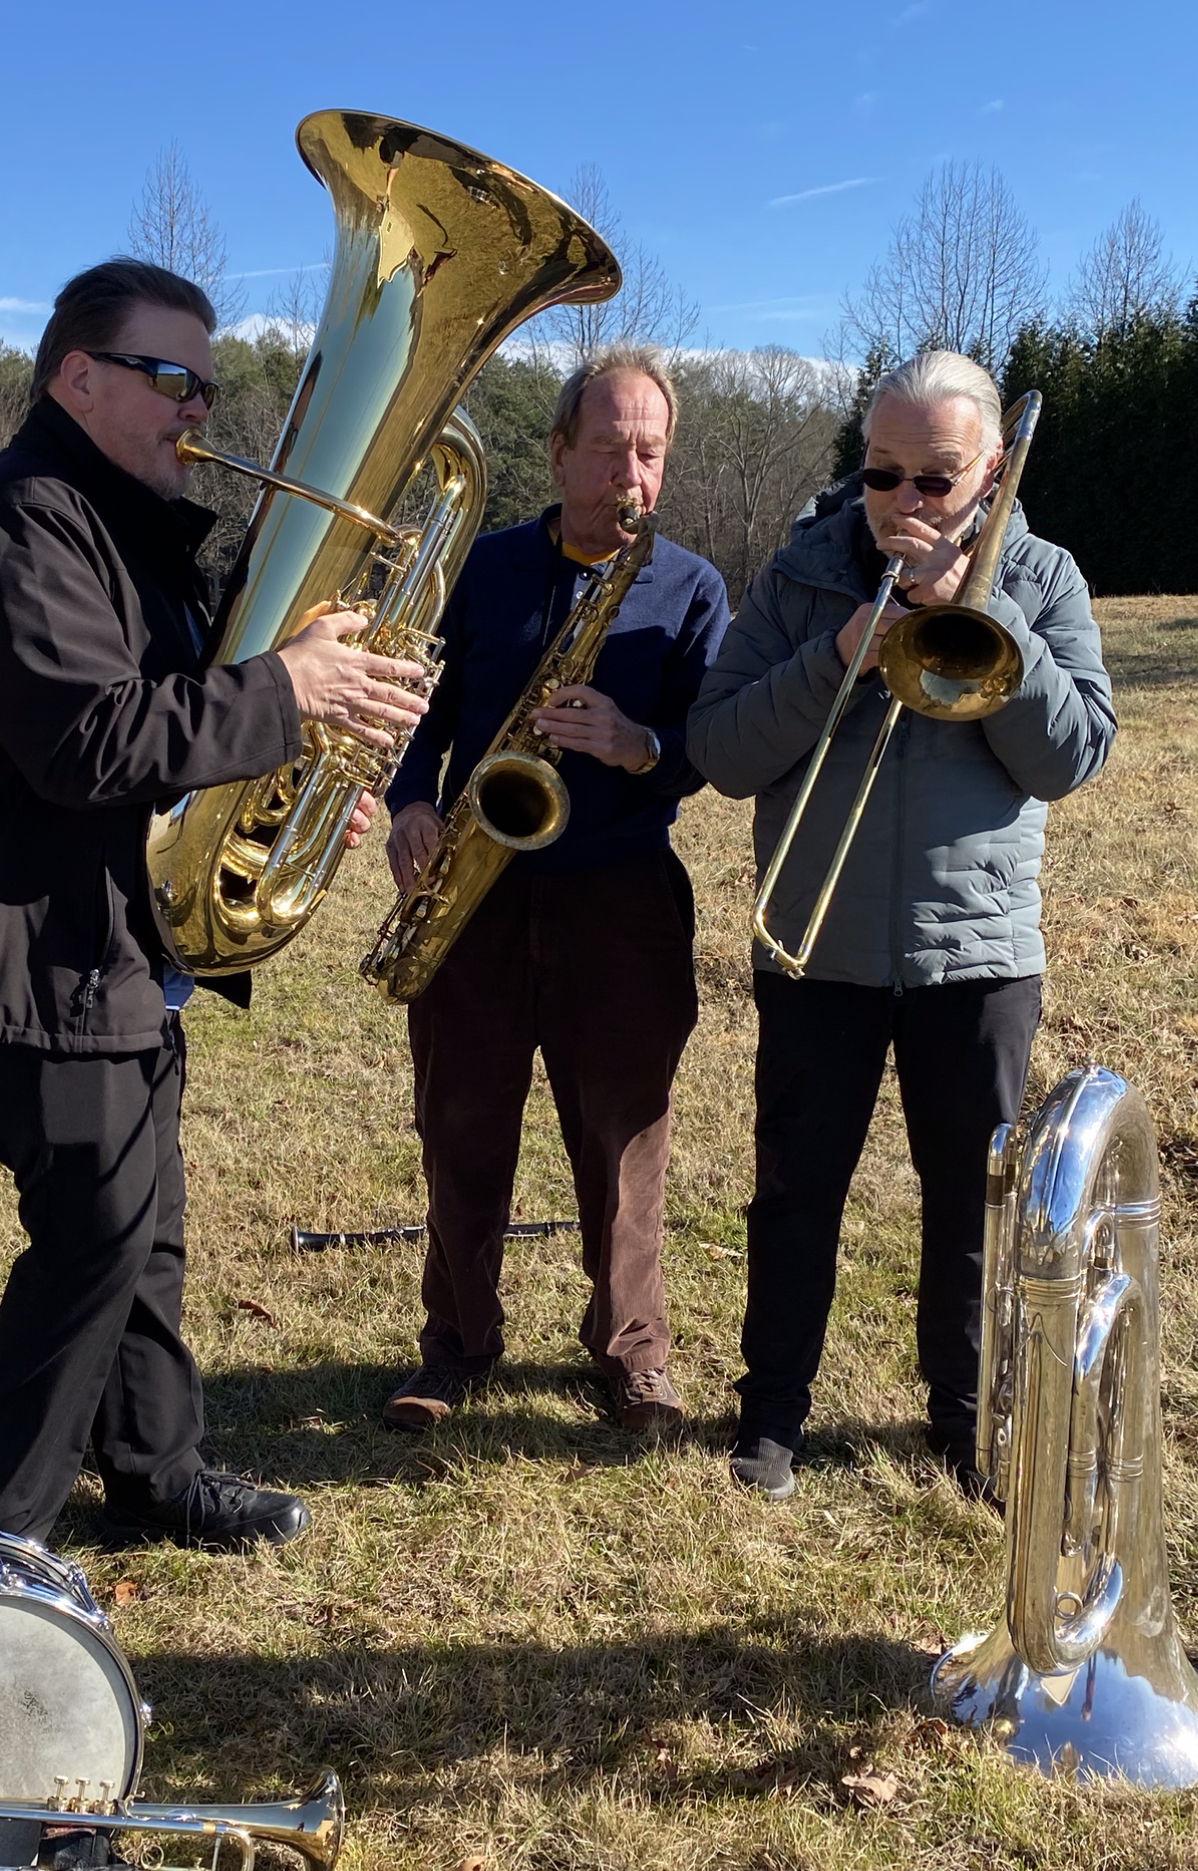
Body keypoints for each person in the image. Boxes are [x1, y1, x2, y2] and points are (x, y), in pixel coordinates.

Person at [0, 257, 426, 1549]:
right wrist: (286, 691)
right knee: (93, 1237)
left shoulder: (118, 524)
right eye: (170, 377)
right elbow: (87, 739)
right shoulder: (30, 520)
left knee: (145, 1222)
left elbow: (182, 732)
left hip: (104, 946)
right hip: (35, 961)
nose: (200, 407)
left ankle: (155, 1468)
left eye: (208, 382)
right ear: (77, 376)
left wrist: (305, 769)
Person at [686, 349, 1115, 1500]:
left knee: (967, 1202)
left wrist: (989, 628)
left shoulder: (1040, 575)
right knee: (792, 1193)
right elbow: (719, 752)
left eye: (936, 479)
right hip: (815, 948)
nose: (905, 506)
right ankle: (769, 1417)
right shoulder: (800, 576)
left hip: (974, 957)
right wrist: (835, 656)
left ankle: (964, 1422)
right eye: (882, 476)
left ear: (988, 472)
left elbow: (1070, 755)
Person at [378, 344, 729, 1436]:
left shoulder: (690, 588)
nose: (632, 473)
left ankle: (631, 1355)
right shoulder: (478, 569)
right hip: (474, 891)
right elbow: (411, 710)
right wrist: (406, 802)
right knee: (459, 1122)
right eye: (611, 448)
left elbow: (708, 743)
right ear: (558, 451)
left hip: (620, 894)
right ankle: (455, 1343)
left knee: (623, 1133)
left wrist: (635, 745)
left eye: (650, 452)